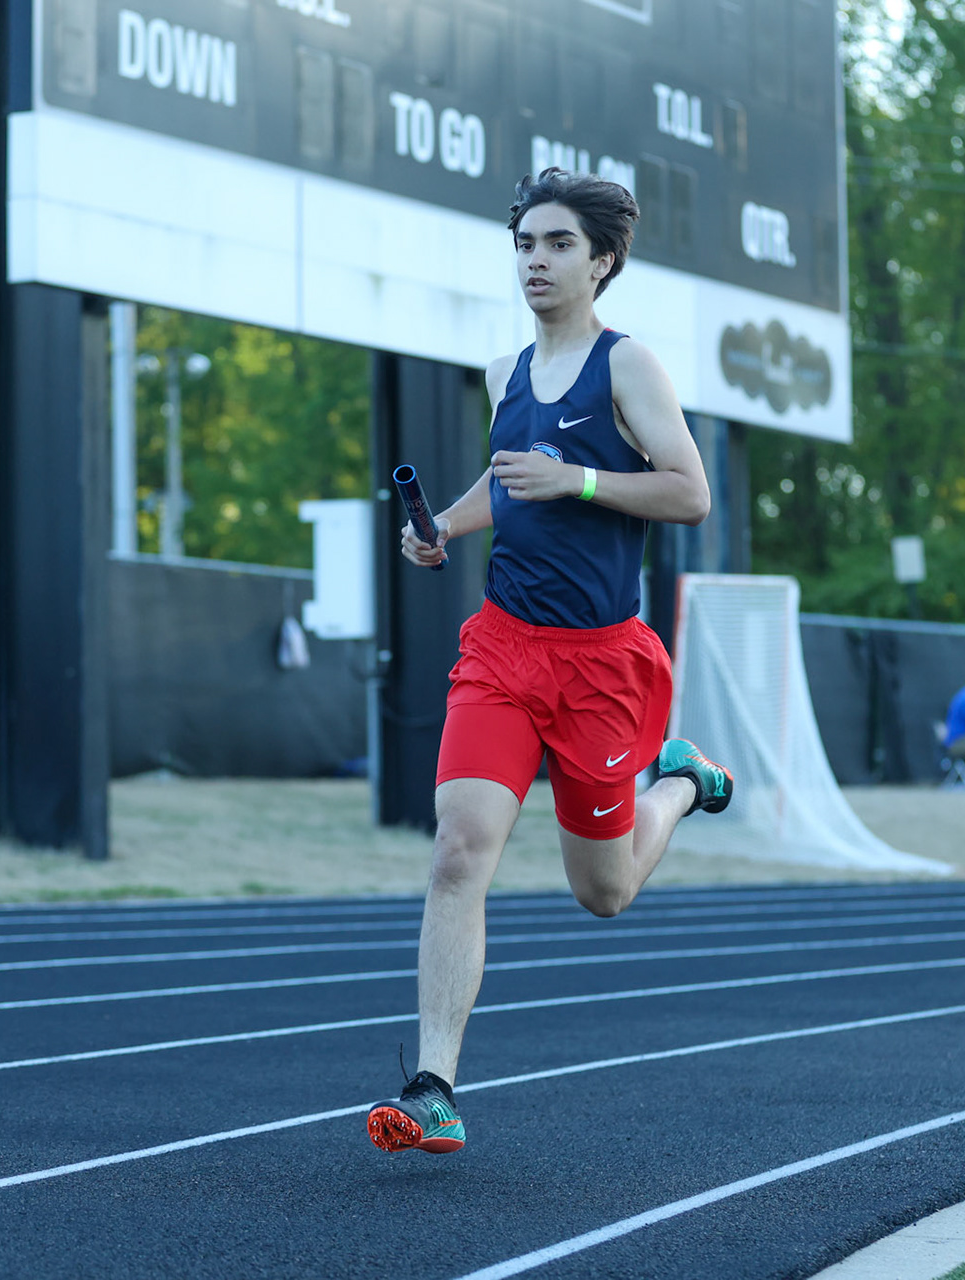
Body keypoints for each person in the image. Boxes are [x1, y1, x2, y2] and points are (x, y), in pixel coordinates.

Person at [365, 169, 735, 1154]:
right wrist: (442, 526)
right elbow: (507, 481)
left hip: (602, 666)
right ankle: (434, 1086)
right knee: (458, 849)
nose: (536, 260)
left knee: (602, 891)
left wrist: (578, 478)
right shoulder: (506, 373)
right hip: (503, 649)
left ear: (602, 261)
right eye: (525, 242)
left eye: (559, 243)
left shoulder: (628, 367)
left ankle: (681, 782)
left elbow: (690, 493)